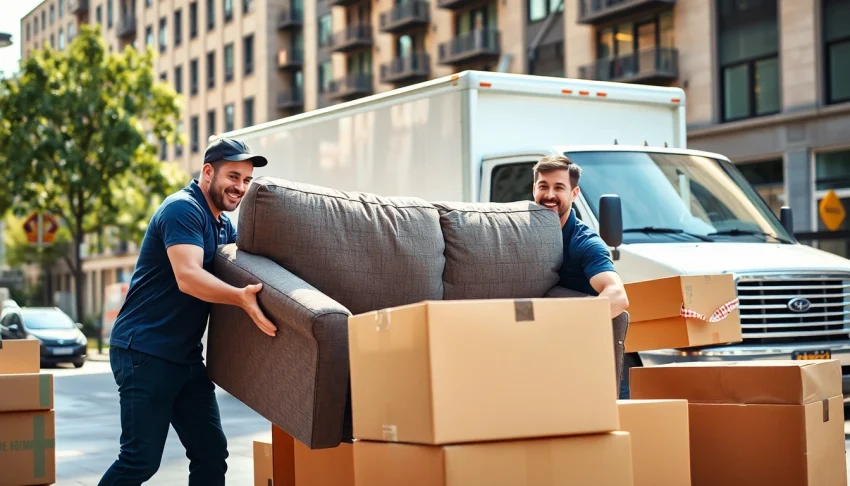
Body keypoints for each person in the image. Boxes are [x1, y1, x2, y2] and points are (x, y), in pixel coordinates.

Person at [99, 137, 277, 486]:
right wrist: (241, 298)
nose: (240, 187)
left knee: (211, 453)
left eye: (246, 180)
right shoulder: (182, 209)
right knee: (139, 460)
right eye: (233, 176)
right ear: (208, 172)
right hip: (144, 351)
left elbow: (247, 268)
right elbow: (189, 277)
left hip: (185, 357)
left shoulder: (223, 225)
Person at [531, 154, 633, 397]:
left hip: (585, 357)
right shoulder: (522, 231)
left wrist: (573, 326)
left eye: (559, 188)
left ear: (574, 194)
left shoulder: (585, 242)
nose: (549, 195)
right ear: (534, 189)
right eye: (543, 186)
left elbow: (617, 295)